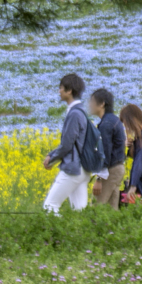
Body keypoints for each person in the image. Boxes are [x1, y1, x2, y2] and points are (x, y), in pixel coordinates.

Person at [43, 73, 92, 214]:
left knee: (50, 207)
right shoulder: (82, 111)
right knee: (79, 213)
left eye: (61, 88)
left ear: (69, 91)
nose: (59, 91)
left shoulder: (75, 114)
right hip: (84, 169)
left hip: (73, 169)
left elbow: (67, 144)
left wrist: (51, 158)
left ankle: (56, 236)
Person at [88, 88, 126, 209]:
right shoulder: (113, 120)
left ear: (102, 103)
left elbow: (105, 153)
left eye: (92, 101)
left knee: (96, 209)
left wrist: (99, 179)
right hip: (118, 168)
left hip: (111, 170)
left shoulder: (106, 124)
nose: (90, 105)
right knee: (111, 210)